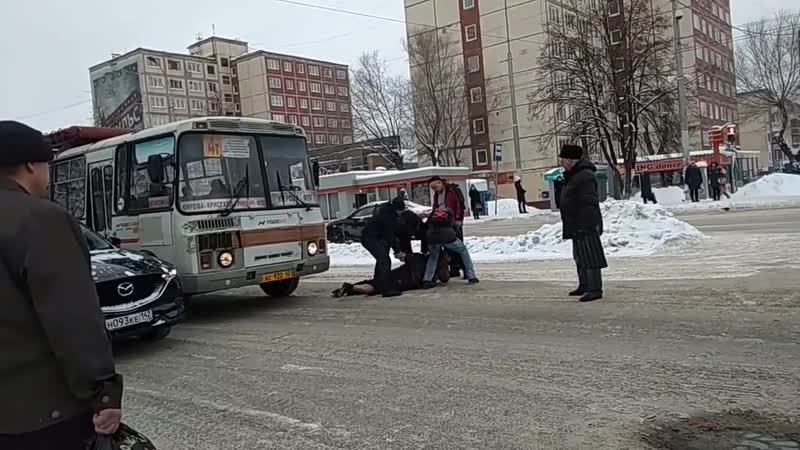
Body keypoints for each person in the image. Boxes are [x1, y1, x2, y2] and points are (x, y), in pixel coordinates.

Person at [0, 121, 123, 449]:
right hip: (41, 414)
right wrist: (104, 392)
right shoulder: (40, 219)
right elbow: (72, 318)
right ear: (31, 164)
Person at [558, 144, 607, 302]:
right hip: (576, 222)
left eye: (564, 159)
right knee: (580, 255)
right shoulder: (573, 175)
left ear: (572, 160)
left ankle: (595, 289)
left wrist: (587, 223)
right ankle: (584, 284)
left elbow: (589, 202)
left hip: (585, 222)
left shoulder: (584, 176)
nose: (562, 162)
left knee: (591, 255)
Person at [331, 252, 451, 298]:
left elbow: (406, 257)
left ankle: (351, 288)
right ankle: (352, 288)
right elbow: (445, 278)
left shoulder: (420, 257)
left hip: (398, 272)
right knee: (379, 288)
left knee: (376, 282)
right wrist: (445, 265)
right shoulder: (439, 267)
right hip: (406, 280)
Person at [421, 204, 479, 288]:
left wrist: (425, 243)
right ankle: (471, 276)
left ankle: (427, 279)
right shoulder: (448, 211)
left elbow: (426, 226)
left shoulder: (434, 213)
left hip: (432, 237)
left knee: (433, 257)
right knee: (463, 250)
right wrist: (456, 236)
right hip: (447, 236)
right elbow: (454, 225)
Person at [360, 196, 407, 297]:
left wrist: (397, 249)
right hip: (370, 238)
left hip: (375, 237)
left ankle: (378, 284)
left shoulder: (387, 211)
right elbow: (390, 236)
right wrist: (397, 251)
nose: (401, 214)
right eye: (401, 211)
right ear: (397, 209)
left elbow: (390, 236)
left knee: (382, 259)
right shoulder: (388, 217)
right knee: (384, 260)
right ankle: (386, 289)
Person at [429, 176, 466, 277]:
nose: (435, 190)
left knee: (459, 245)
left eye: (435, 187)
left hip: (453, 221)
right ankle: (454, 268)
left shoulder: (452, 191)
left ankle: (465, 270)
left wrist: (458, 219)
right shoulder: (437, 194)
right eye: (432, 188)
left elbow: (459, 205)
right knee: (448, 246)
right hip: (443, 222)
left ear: (440, 183)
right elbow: (435, 206)